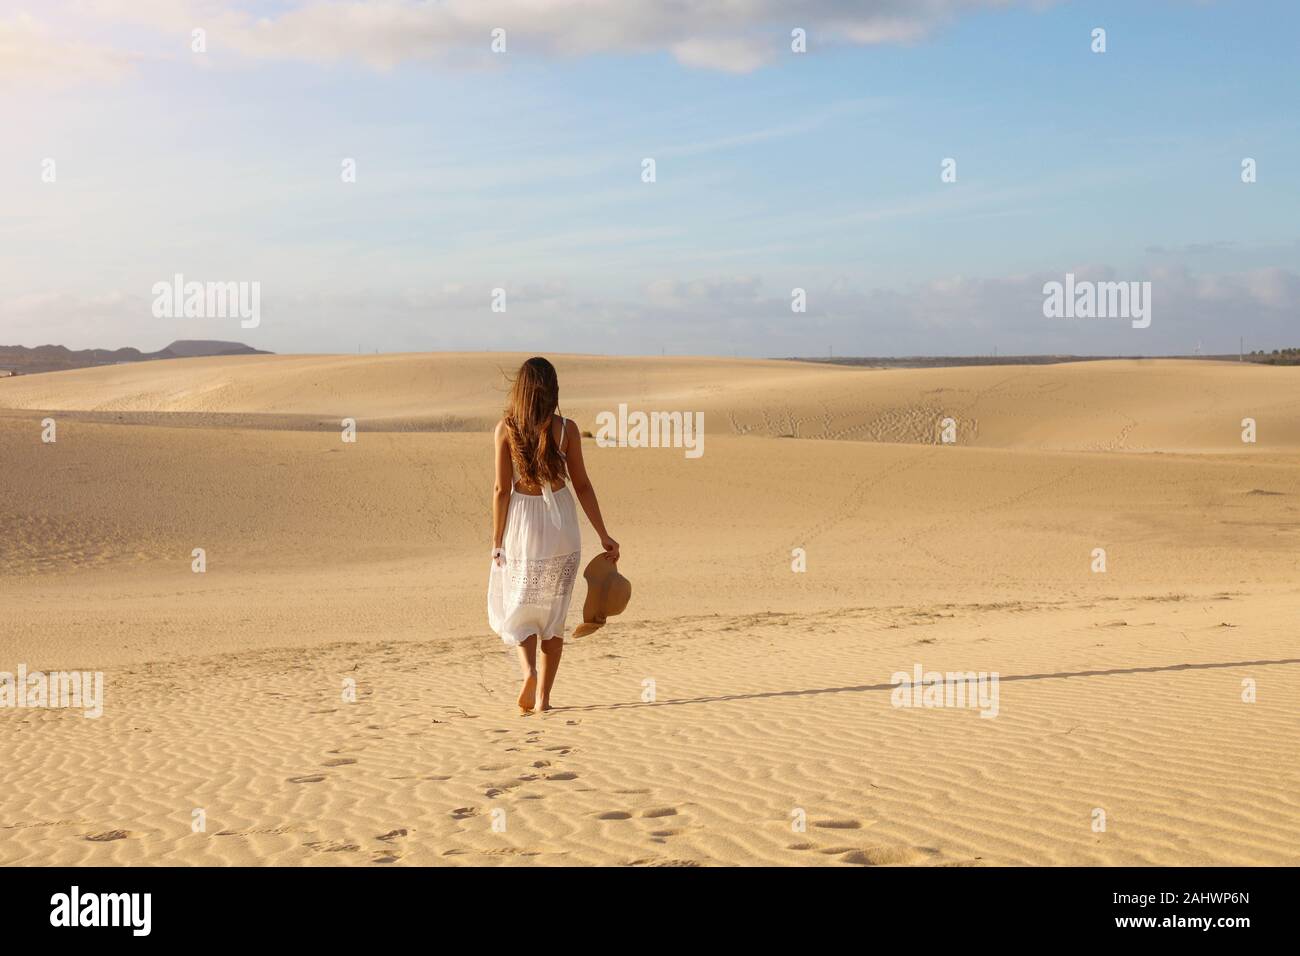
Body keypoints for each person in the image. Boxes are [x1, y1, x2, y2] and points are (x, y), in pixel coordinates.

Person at [488, 357, 619, 714]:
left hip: (524, 524)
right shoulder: (568, 429)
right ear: (553, 390)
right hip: (561, 524)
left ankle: (527, 671)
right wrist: (604, 534)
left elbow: (502, 489)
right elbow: (583, 485)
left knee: (522, 607)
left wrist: (497, 541)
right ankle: (544, 699)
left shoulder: (506, 429)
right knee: (554, 615)